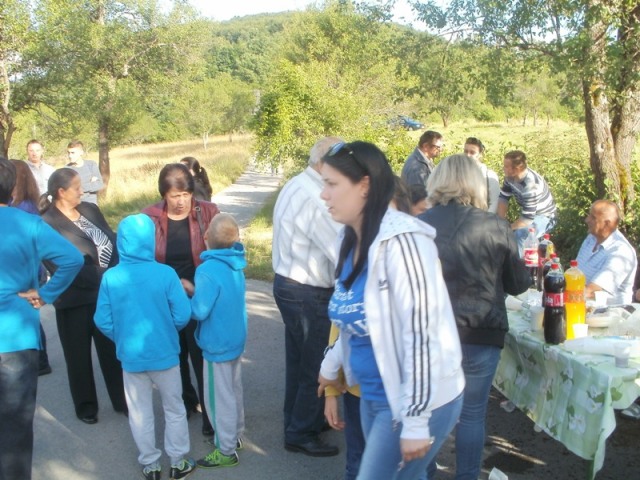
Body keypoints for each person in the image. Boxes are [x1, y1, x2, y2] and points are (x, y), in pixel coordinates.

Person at [318, 141, 465, 480]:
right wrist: (331, 365)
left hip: (413, 398)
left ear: (365, 185)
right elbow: (358, 319)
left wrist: (415, 419)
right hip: (375, 393)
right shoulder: (350, 240)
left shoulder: (404, 243)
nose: (324, 195)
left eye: (332, 184)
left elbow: (422, 333)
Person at [419, 154, 530, 480]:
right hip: (482, 331)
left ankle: (422, 473)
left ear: (437, 181)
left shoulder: (420, 224)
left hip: (432, 333)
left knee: (427, 410)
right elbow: (518, 284)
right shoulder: (496, 225)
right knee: (472, 414)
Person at [94, 214, 195, 480]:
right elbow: (183, 314)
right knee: (174, 408)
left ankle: (150, 463)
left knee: (139, 411)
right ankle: (178, 461)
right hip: (165, 354)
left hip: (131, 357)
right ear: (150, 240)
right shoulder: (166, 274)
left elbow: (102, 320)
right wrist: (168, 329)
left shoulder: (111, 277)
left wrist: (122, 336)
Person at [0, 157, 82, 480]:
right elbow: (72, 259)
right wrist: (45, 295)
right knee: (15, 430)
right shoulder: (28, 223)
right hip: (17, 338)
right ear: (13, 189)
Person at [272, 136, 342, 457]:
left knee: (300, 359)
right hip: (307, 290)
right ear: (326, 165)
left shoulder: (298, 183)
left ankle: (298, 420)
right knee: (315, 360)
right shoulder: (317, 199)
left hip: (290, 285)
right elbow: (341, 253)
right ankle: (302, 430)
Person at [39, 168, 127, 423]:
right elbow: (62, 267)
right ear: (61, 192)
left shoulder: (90, 210)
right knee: (78, 356)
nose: (82, 191)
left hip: (105, 296)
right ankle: (86, 407)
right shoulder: (46, 223)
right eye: (77, 187)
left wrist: (117, 272)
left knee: (112, 351)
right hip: (74, 301)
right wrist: (108, 277)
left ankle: (122, 400)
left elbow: (111, 241)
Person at [142, 163, 219, 437]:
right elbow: (142, 260)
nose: (181, 201)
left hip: (198, 296)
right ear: (163, 194)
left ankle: (211, 416)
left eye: (185, 194)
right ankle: (186, 402)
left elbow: (222, 253)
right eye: (175, 196)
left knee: (201, 356)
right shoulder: (149, 218)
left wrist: (202, 288)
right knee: (175, 355)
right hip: (165, 300)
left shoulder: (208, 212)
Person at [191, 214, 247, 470]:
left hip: (217, 344)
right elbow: (221, 296)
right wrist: (196, 290)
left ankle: (225, 450)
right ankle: (235, 436)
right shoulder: (235, 264)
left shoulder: (206, 270)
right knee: (233, 391)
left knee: (216, 398)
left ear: (205, 238)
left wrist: (187, 296)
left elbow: (200, 311)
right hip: (235, 339)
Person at [10, 159, 53, 375]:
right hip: (31, 268)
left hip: (27, 269)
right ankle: (39, 359)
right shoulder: (27, 205)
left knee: (28, 315)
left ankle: (40, 360)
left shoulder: (22, 208)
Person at [575, 199, 637, 304]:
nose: (587, 220)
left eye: (593, 217)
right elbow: (574, 273)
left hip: (608, 315)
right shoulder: (591, 238)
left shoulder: (621, 251)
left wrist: (558, 294)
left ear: (607, 224)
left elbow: (591, 291)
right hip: (580, 306)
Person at [497, 150, 557, 253]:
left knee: (520, 234)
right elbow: (503, 199)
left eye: (506, 166)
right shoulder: (510, 178)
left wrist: (507, 229)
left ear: (516, 169)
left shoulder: (531, 186)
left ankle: (517, 265)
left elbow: (526, 220)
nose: (503, 169)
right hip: (530, 214)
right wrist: (499, 222)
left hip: (545, 216)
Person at [463, 137, 500, 213]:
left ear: (480, 154)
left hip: (482, 218)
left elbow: (494, 203)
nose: (468, 155)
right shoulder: (457, 172)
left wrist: (485, 220)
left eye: (472, 152)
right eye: (466, 151)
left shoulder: (489, 175)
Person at [66, 140, 104, 204]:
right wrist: (90, 184)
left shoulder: (91, 165)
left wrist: (78, 188)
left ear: (81, 152)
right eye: (68, 153)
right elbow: (68, 190)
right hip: (75, 204)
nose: (70, 156)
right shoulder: (66, 169)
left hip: (91, 204)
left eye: (73, 153)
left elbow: (99, 184)